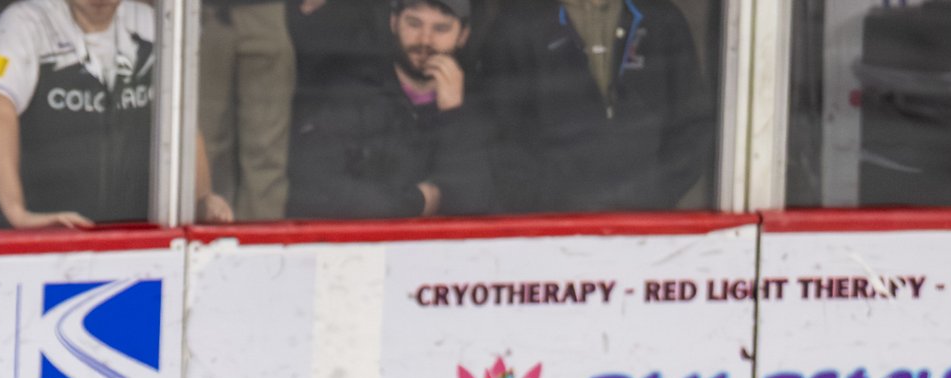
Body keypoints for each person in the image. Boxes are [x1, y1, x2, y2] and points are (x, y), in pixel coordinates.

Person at [0, 0, 234, 226]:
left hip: (139, 232)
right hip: (51, 231)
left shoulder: (152, 23)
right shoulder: (25, 22)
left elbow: (181, 121)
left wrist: (201, 200)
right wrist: (19, 214)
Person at [479, 0, 711, 213]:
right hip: (550, 225)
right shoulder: (518, 24)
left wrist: (653, 196)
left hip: (645, 223)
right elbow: (500, 131)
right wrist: (544, 205)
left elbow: (692, 123)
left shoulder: (661, 19)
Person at [286, 0, 493, 219]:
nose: (425, 40)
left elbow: (481, 204)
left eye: (441, 28)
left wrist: (453, 115)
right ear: (393, 22)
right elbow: (312, 189)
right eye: (414, 24)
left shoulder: (483, 102)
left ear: (463, 35)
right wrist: (417, 202)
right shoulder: (353, 91)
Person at [202, 0, 295, 220]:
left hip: (268, 11)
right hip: (198, 14)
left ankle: (260, 246)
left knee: (266, 151)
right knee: (203, 147)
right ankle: (209, 239)